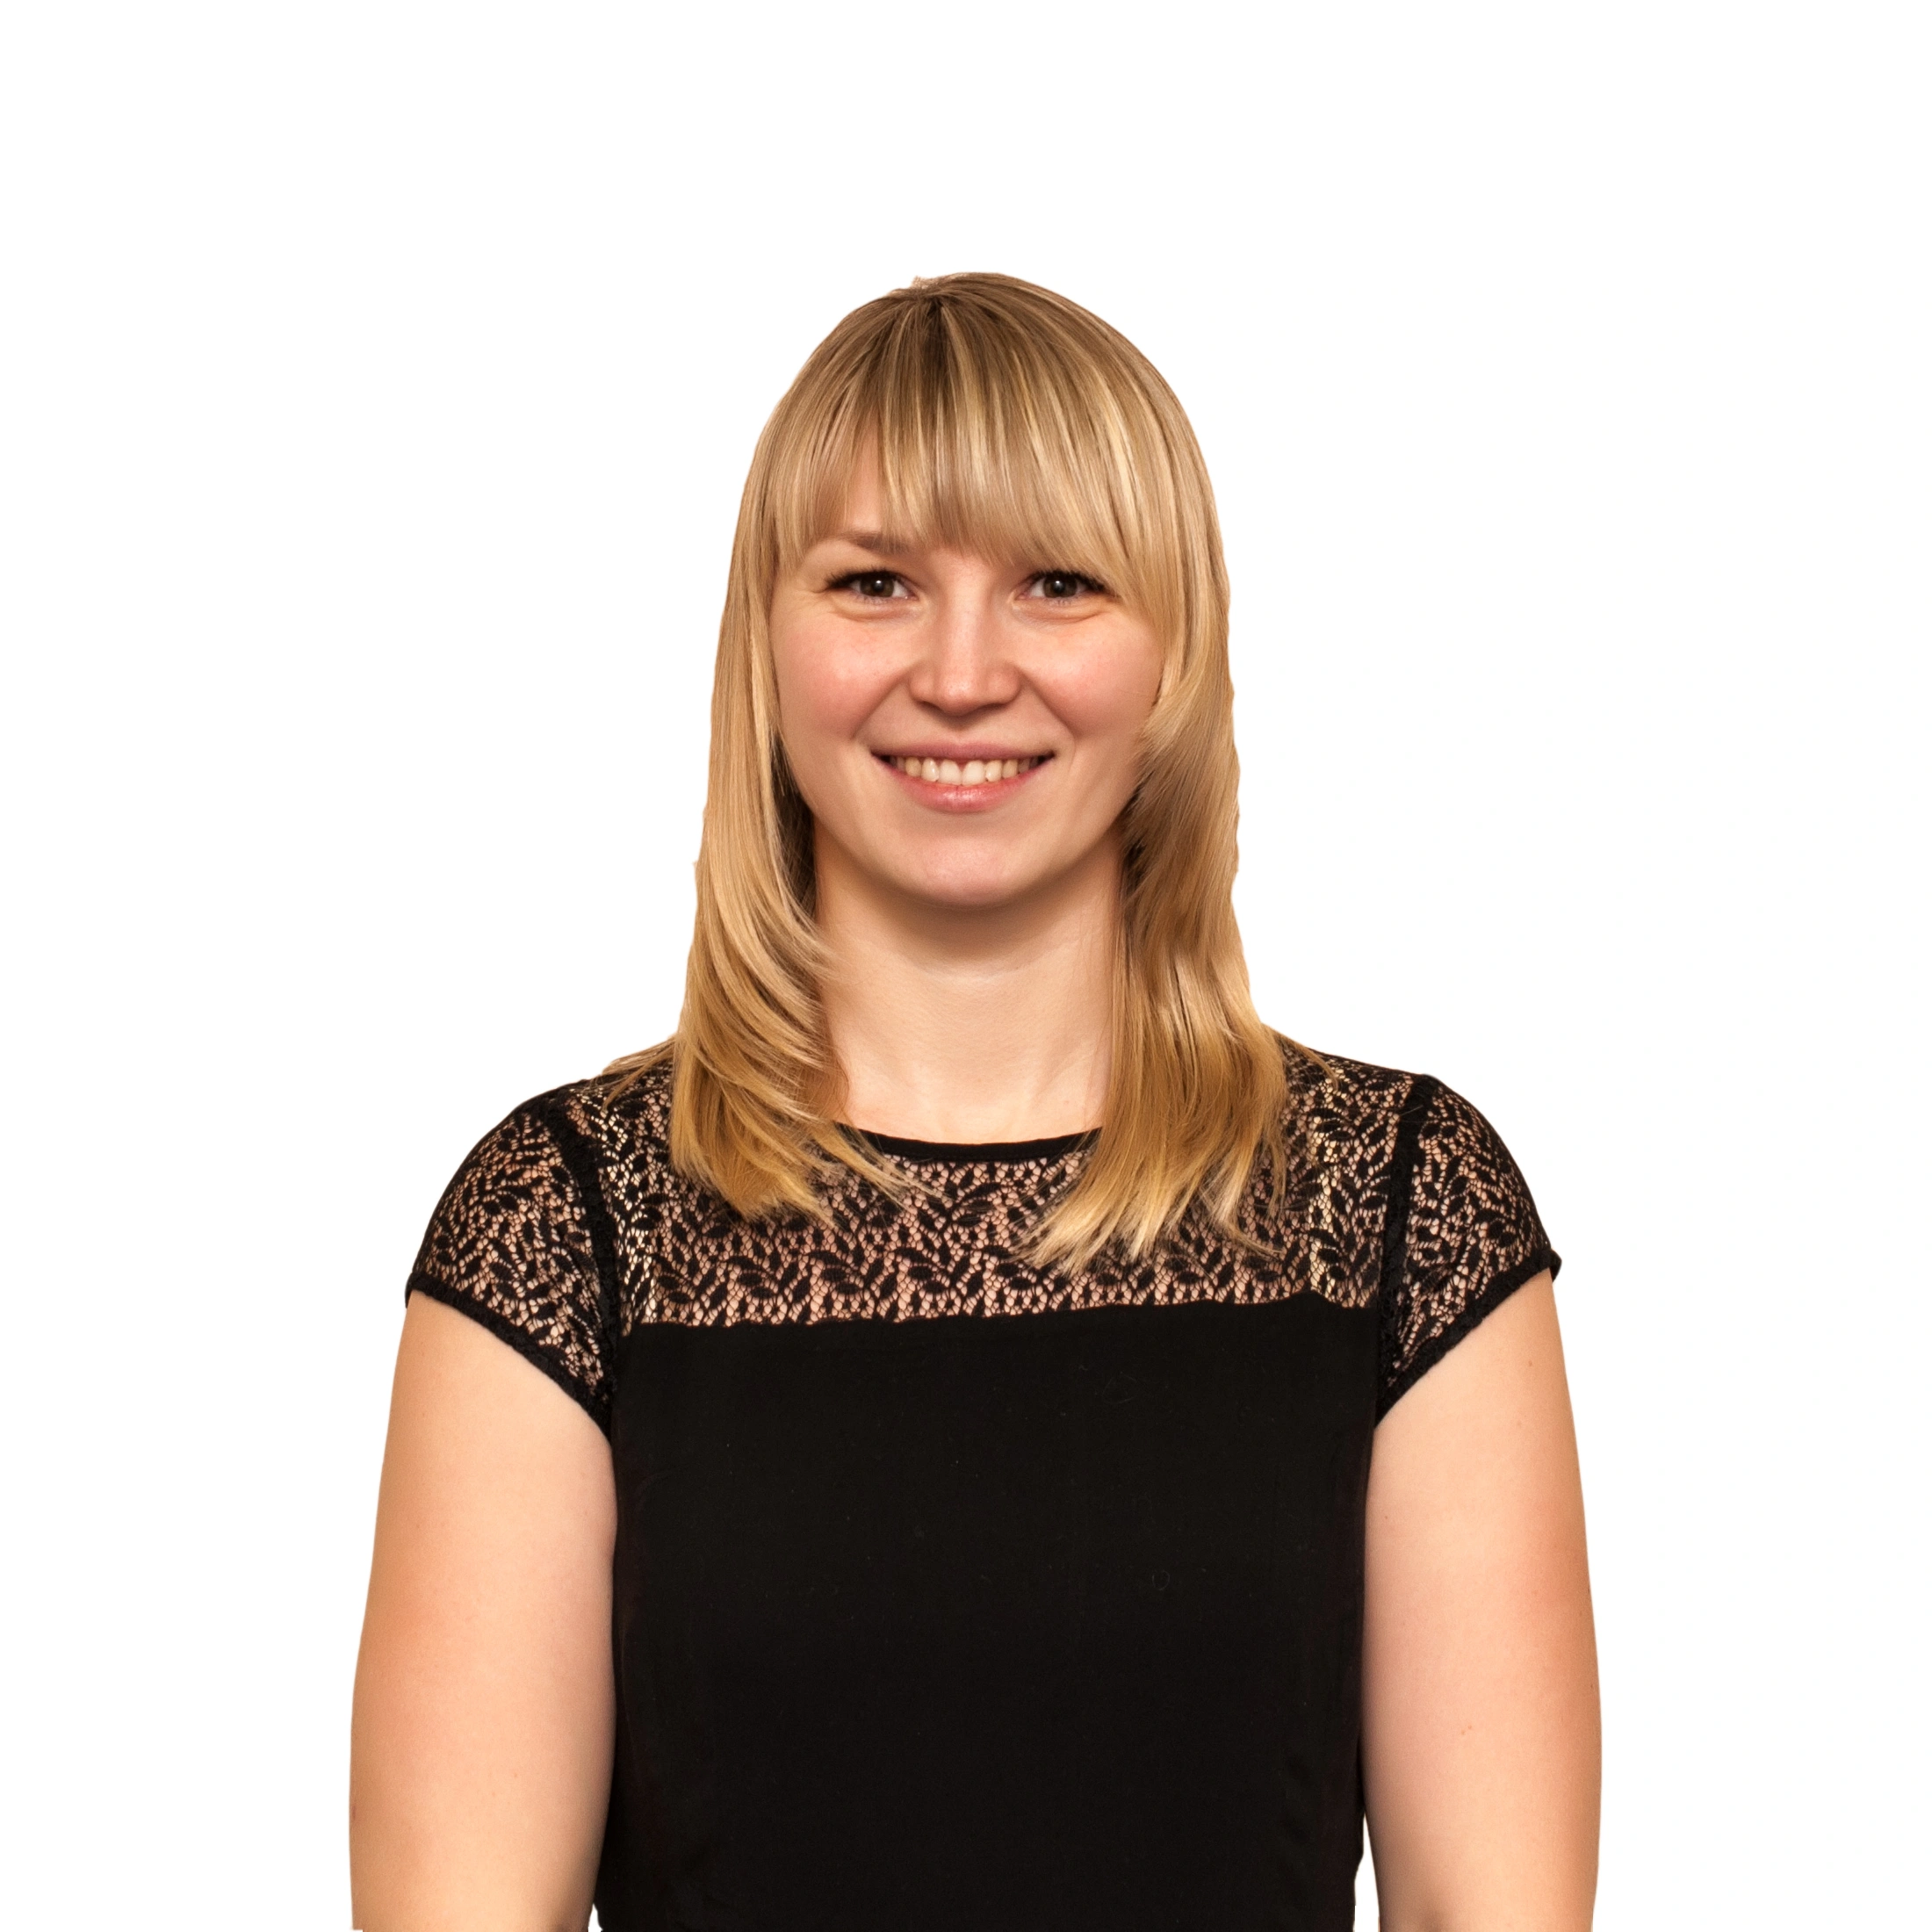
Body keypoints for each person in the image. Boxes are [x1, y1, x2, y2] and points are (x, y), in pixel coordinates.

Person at [349, 272, 1599, 1932]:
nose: (959, 672)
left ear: (1172, 650)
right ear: (768, 644)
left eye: (1056, 584)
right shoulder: (565, 1230)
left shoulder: (1398, 1211)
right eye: (874, 583)